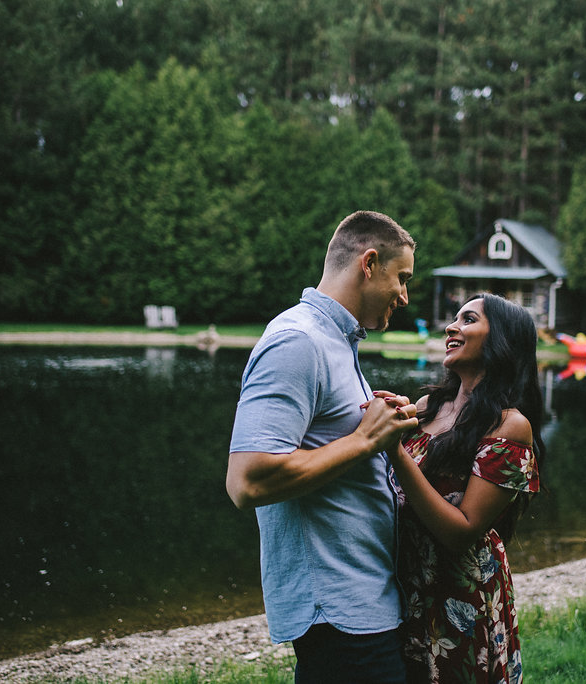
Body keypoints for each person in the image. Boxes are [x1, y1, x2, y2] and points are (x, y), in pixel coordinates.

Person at [226, 210, 420, 684]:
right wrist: (364, 440)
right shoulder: (298, 341)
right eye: (402, 278)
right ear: (369, 263)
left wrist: (385, 430)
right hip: (338, 612)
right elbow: (246, 481)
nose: (405, 295)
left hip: (363, 602)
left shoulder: (336, 341)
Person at [385, 293, 546, 683]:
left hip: (460, 597)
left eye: (468, 319)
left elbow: (461, 531)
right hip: (402, 585)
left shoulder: (509, 427)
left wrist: (394, 449)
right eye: (455, 319)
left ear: (501, 340)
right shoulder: (426, 407)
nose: (451, 327)